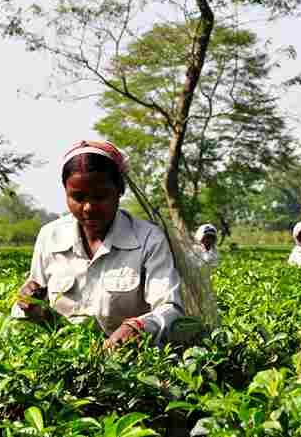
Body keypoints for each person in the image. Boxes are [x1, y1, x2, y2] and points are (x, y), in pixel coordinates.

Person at [12, 140, 184, 348]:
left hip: (131, 362)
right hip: (65, 356)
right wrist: (29, 304)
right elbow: (35, 305)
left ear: (119, 190)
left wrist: (138, 327)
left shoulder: (149, 239)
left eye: (101, 196)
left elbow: (170, 308)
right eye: (77, 197)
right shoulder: (50, 237)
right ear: (65, 192)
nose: (88, 208)